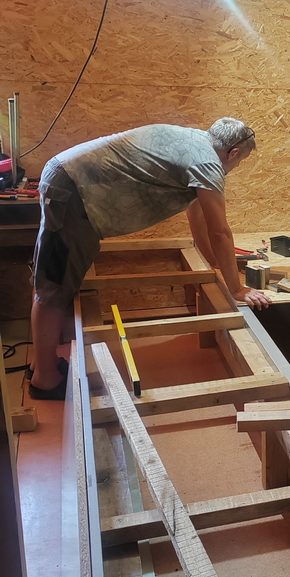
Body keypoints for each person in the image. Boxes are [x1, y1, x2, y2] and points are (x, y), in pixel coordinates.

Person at [29, 118, 270, 400]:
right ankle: (45, 379)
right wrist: (236, 288)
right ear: (233, 152)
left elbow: (197, 215)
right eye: (240, 162)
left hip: (67, 180)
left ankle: (41, 363)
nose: (235, 167)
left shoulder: (193, 142)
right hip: (74, 190)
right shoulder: (208, 163)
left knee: (50, 280)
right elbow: (220, 232)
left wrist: (213, 264)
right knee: (54, 287)